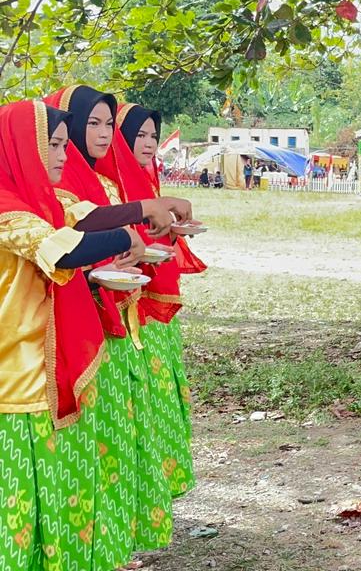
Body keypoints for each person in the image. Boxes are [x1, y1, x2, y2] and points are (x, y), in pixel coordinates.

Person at [46, 84, 194, 568]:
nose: (104, 134)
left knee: (116, 438)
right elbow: (71, 238)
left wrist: (131, 242)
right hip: (67, 337)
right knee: (91, 447)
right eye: (92, 123)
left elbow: (104, 231)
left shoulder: (99, 182)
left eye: (109, 124)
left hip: (113, 318)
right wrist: (137, 222)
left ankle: (110, 539)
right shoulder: (51, 187)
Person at [0, 99, 149, 570]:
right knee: (22, 497)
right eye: (54, 145)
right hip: (17, 379)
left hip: (45, 368)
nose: (65, 156)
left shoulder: (40, 201)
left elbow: (83, 222)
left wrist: (140, 215)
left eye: (66, 145)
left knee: (58, 490)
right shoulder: (7, 209)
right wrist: (127, 236)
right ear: (23, 147)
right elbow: (62, 252)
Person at [118, 103, 207, 504]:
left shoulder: (147, 179)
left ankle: (160, 486)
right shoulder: (115, 184)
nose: (149, 143)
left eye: (153, 136)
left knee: (161, 394)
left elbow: (150, 242)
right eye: (139, 135)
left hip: (154, 310)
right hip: (131, 311)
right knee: (145, 399)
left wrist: (172, 232)